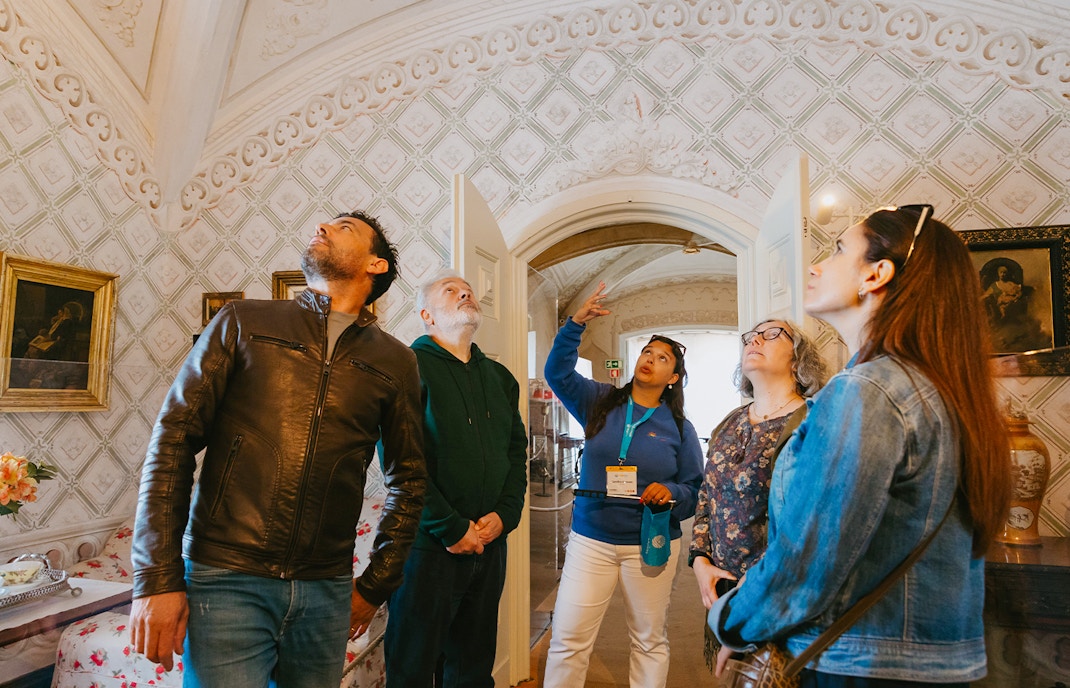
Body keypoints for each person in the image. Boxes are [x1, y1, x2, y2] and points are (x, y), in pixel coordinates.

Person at [711, 205, 1011, 686]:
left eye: (837, 251)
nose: (814, 266)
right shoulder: (940, 386)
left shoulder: (868, 390)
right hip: (933, 660)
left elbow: (806, 561)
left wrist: (730, 620)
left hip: (860, 663)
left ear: (876, 274)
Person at [129, 211, 428, 688]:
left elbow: (410, 479)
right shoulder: (243, 322)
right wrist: (156, 577)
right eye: (325, 223)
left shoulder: (396, 361)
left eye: (344, 226)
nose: (322, 226)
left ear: (376, 265)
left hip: (326, 590)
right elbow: (172, 444)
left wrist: (376, 584)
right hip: (225, 579)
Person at [542, 281, 703, 688]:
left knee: (648, 640)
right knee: (568, 638)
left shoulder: (680, 428)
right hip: (590, 539)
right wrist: (574, 324)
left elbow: (693, 489)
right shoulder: (601, 400)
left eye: (662, 357)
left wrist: (672, 494)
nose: (650, 359)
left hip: (648, 543)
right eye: (647, 352)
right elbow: (556, 372)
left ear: (674, 377)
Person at [383, 271, 528, 688]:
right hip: (428, 548)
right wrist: (450, 527)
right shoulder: (405, 370)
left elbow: (515, 452)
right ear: (426, 314)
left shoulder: (500, 378)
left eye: (468, 289)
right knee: (412, 667)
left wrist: (506, 513)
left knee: (472, 667)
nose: (466, 292)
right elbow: (401, 462)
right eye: (451, 290)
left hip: (489, 544)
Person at [689, 318, 828, 666]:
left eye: (771, 334)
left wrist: (759, 587)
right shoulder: (731, 420)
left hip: (779, 596)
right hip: (724, 592)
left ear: (798, 361)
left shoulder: (811, 421)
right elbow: (707, 495)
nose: (755, 340)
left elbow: (811, 519)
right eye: (751, 336)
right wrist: (700, 561)